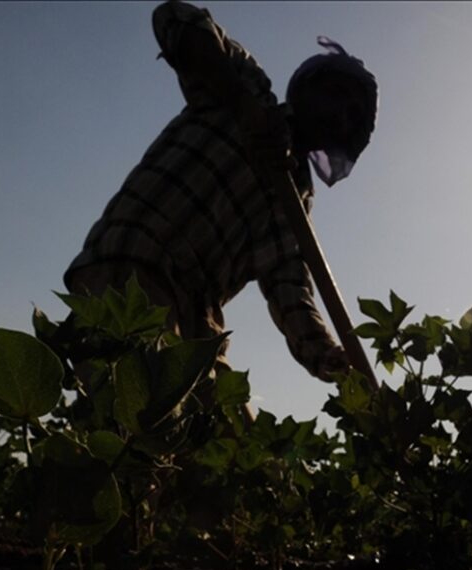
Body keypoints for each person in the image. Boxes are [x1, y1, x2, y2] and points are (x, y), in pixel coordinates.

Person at [64, 0, 378, 384]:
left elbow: (289, 287)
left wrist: (326, 353)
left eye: (353, 114)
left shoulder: (295, 199)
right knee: (147, 412)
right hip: (132, 266)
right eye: (336, 94)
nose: (341, 114)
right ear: (306, 89)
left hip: (196, 319)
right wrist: (245, 110)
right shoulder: (246, 88)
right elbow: (176, 16)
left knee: (231, 437)